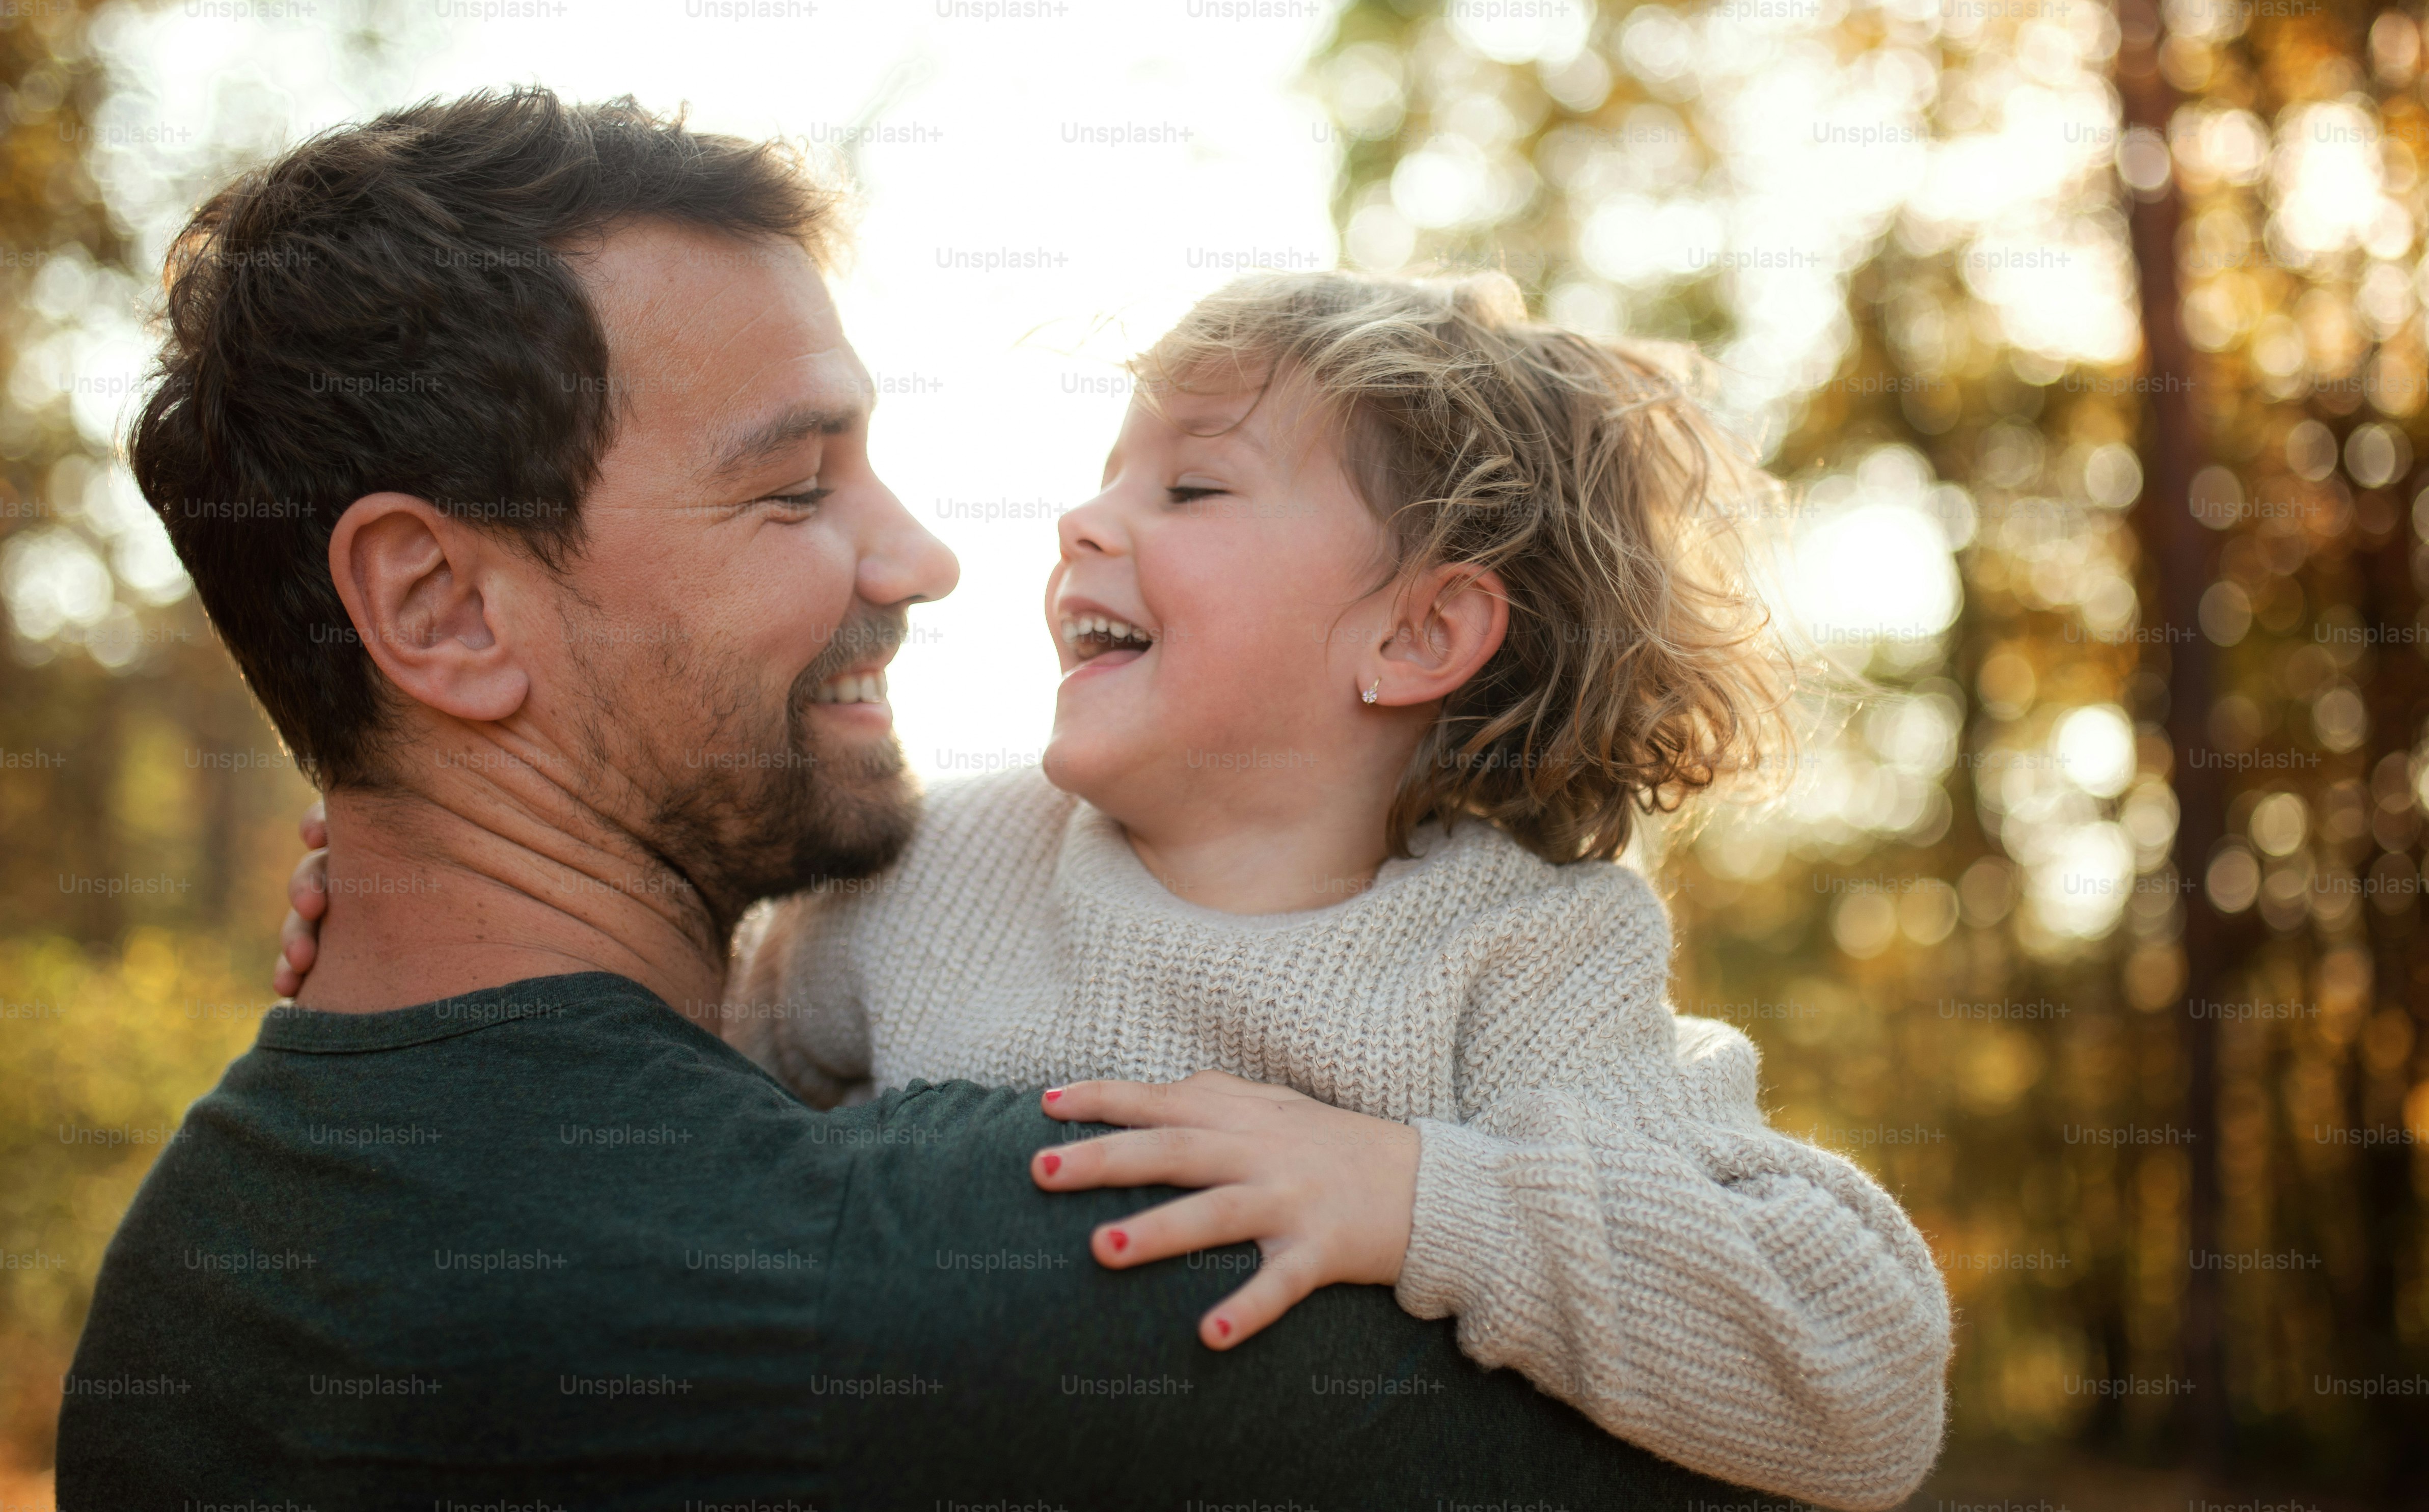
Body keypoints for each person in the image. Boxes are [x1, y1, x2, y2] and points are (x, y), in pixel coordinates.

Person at [56, 89, 1766, 1511]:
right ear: (439, 609)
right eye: (795, 489)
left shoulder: (187, 1287)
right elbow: (1792, 1437)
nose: (934, 560)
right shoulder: (1067, 1253)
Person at [274, 267, 1956, 1501]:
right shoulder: (939, 874)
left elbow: (1862, 1378)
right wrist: (427, 941)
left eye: (1191, 486)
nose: (1084, 519)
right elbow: (683, 1125)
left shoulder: (1518, 956)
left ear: (1420, 632)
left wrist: (1418, 1198)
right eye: (1109, 470)